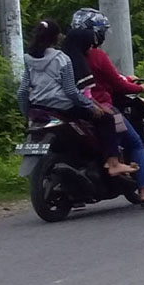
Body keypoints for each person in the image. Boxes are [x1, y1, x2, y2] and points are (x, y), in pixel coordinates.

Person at [67, 9, 144, 207]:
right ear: (95, 33)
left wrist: (126, 79)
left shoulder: (65, 56)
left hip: (74, 108)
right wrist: (140, 87)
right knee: (135, 142)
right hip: (101, 106)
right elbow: (118, 84)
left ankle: (76, 197)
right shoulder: (96, 55)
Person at [17, 20, 135, 176]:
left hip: (39, 109)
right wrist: (91, 106)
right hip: (63, 107)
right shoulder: (61, 58)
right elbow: (71, 91)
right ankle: (113, 163)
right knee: (107, 119)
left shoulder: (28, 59)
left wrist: (27, 113)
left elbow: (22, 91)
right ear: (55, 37)